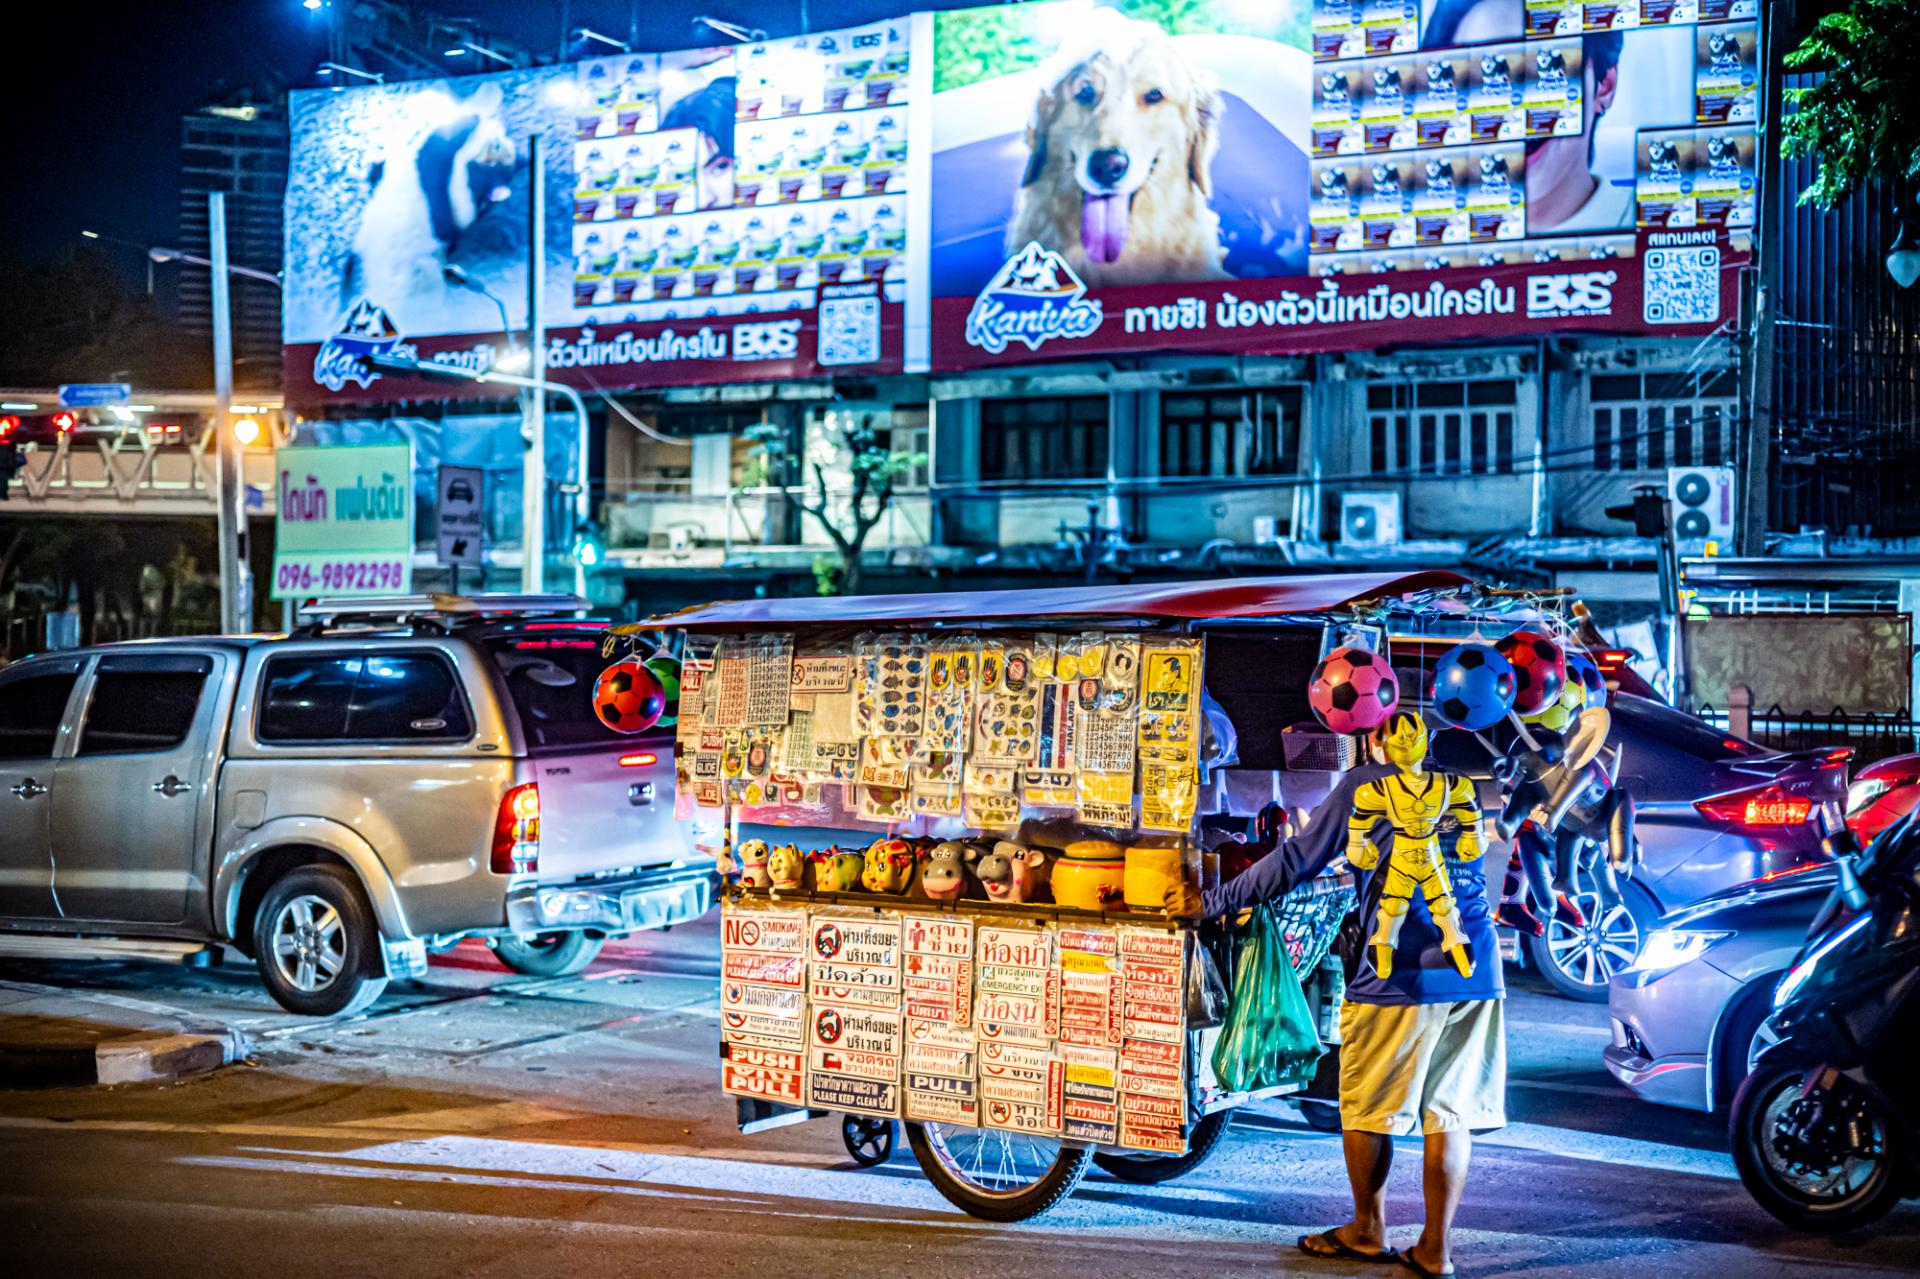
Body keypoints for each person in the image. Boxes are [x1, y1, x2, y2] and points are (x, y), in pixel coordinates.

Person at [1170, 713, 1505, 1279]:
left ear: (1374, 741)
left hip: (1397, 973)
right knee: (1450, 1114)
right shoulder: (1458, 787)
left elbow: (1298, 860)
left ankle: (1368, 1230)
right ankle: (1434, 1250)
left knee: (1368, 1107)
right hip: (1478, 968)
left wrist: (1213, 902)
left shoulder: (1364, 785)